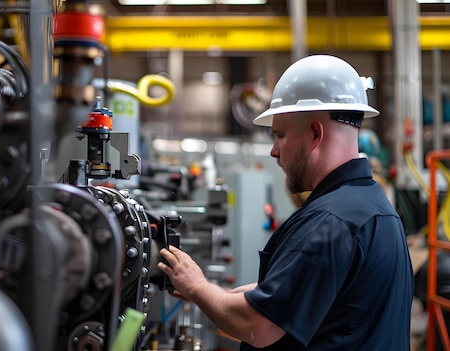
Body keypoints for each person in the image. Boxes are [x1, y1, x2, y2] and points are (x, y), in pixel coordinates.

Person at [157, 54, 414, 350]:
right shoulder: (375, 208)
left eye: (279, 135)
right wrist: (207, 294)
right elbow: (296, 291)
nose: (274, 151)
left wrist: (198, 287)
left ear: (315, 133)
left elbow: (259, 326)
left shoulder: (330, 221)